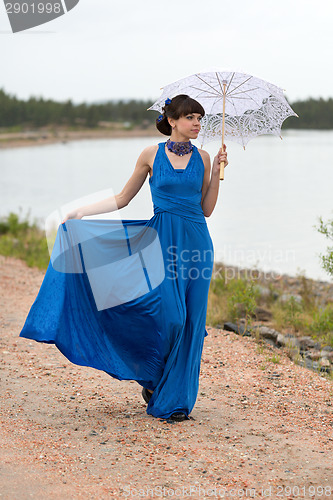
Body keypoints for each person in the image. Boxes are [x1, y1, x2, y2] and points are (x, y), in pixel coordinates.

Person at [19, 94, 228, 422]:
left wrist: (217, 171)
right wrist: (79, 212)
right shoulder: (150, 154)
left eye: (200, 118)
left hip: (197, 246)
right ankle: (154, 378)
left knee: (190, 321)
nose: (197, 123)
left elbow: (206, 210)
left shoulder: (203, 157)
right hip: (160, 243)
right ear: (172, 120)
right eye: (190, 117)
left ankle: (174, 398)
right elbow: (122, 198)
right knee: (169, 317)